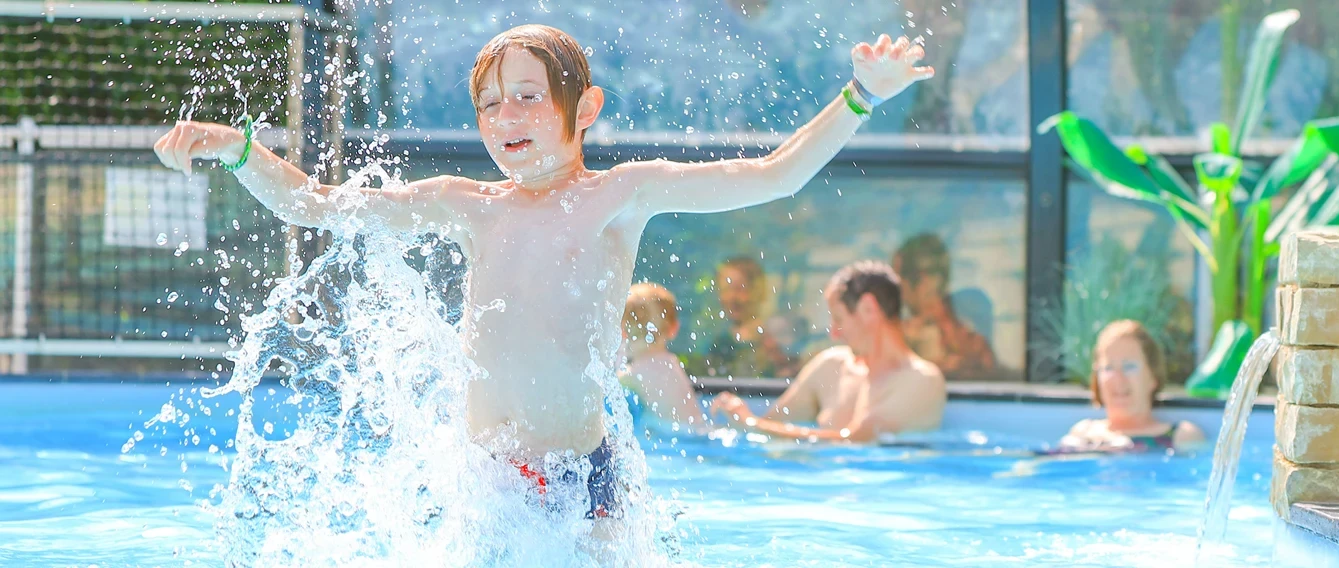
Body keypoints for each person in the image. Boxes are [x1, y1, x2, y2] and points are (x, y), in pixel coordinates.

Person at [151, 24, 935, 522]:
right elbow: (314, 205)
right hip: (486, 482)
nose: (506, 119)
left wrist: (862, 95)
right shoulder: (469, 205)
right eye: (490, 105)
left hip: (588, 482)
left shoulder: (621, 196)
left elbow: (775, 176)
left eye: (528, 97)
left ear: (583, 108)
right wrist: (240, 149)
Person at [709, 261, 945, 442]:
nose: (834, 333)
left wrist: (749, 422)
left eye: (838, 319)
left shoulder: (922, 380)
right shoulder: (831, 365)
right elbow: (771, 429)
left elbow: (856, 442)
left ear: (868, 309)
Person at [1059, 320, 1204, 453]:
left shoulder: (1182, 437)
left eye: (1129, 366)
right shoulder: (1081, 435)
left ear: (1153, 376)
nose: (1118, 378)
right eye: (1108, 368)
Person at [892, 233, 995, 379]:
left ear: (922, 281)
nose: (896, 290)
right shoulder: (904, 333)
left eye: (898, 279)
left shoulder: (966, 331)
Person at [618, 282, 708, 435]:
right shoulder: (671, 363)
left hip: (671, 440)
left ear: (622, 330)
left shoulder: (632, 375)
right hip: (697, 435)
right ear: (674, 328)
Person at [703, 256, 800, 378]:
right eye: (725, 289)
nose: (731, 297)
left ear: (758, 291)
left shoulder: (777, 338)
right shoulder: (720, 343)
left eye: (739, 289)